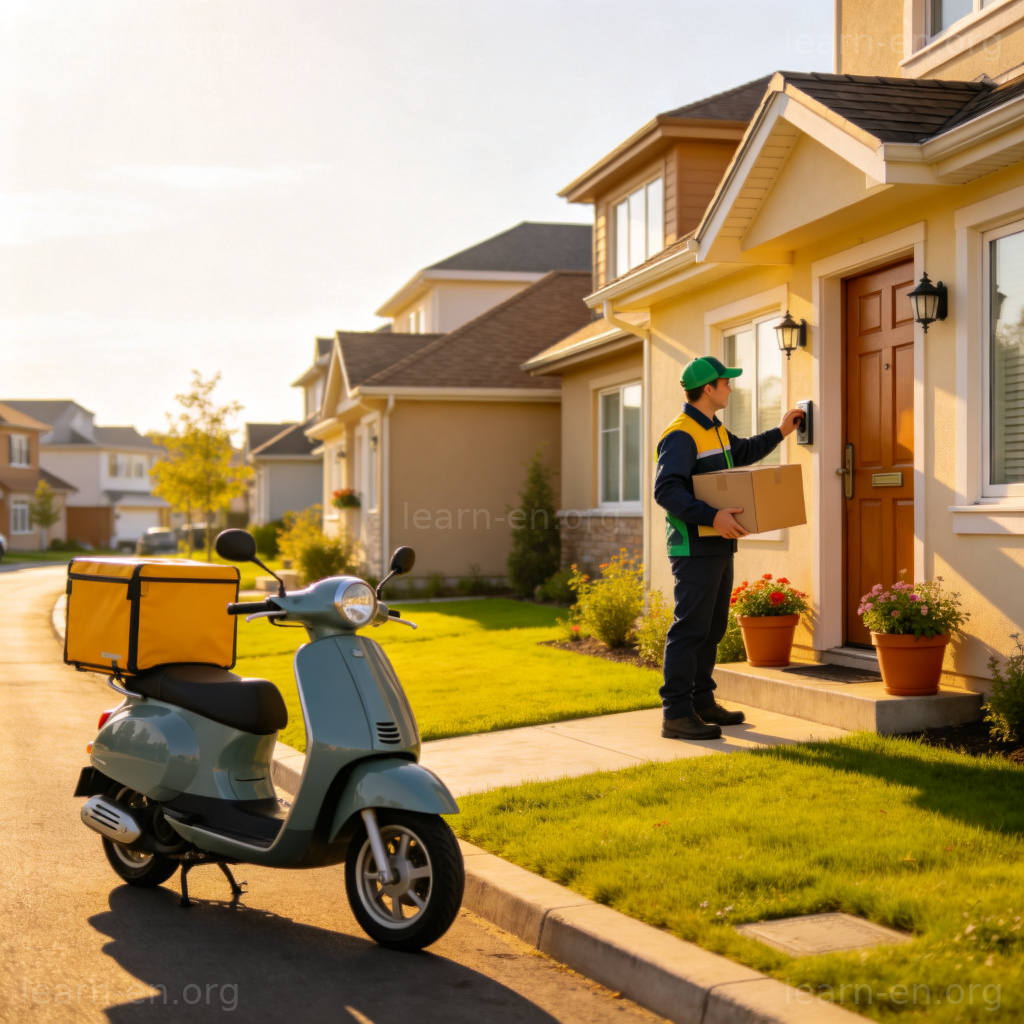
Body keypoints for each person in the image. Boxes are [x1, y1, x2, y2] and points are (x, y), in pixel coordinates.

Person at [654, 356, 804, 740]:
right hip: (694, 546)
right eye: (725, 382)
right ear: (708, 389)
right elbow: (666, 490)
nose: (730, 388)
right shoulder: (682, 434)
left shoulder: (714, 430)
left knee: (712, 627)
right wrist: (712, 516)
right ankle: (676, 713)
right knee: (690, 629)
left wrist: (781, 432)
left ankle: (702, 701)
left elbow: (742, 453)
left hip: (718, 542)